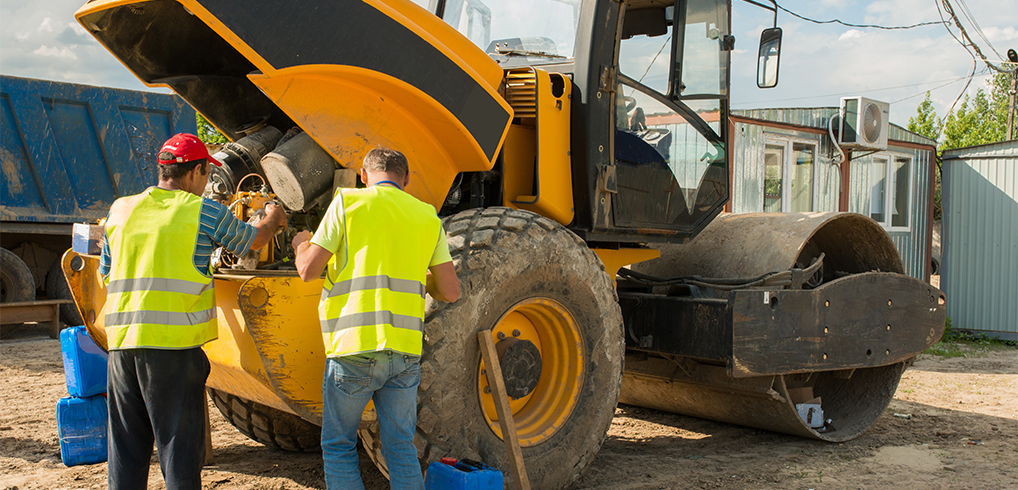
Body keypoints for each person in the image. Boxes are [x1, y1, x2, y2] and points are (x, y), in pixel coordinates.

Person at [99, 133, 287, 490]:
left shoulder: (119, 210)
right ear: (197, 171)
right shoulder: (202, 211)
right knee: (179, 455)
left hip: (121, 350)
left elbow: (106, 272)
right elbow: (254, 240)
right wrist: (273, 217)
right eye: (207, 174)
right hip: (173, 352)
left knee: (126, 452)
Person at [292, 147, 460, 490]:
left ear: (364, 176)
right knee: (400, 447)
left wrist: (300, 245)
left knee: (339, 446)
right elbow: (450, 291)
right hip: (404, 353)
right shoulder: (427, 215)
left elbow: (309, 270)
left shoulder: (348, 203)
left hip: (353, 349)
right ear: (407, 179)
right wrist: (416, 275)